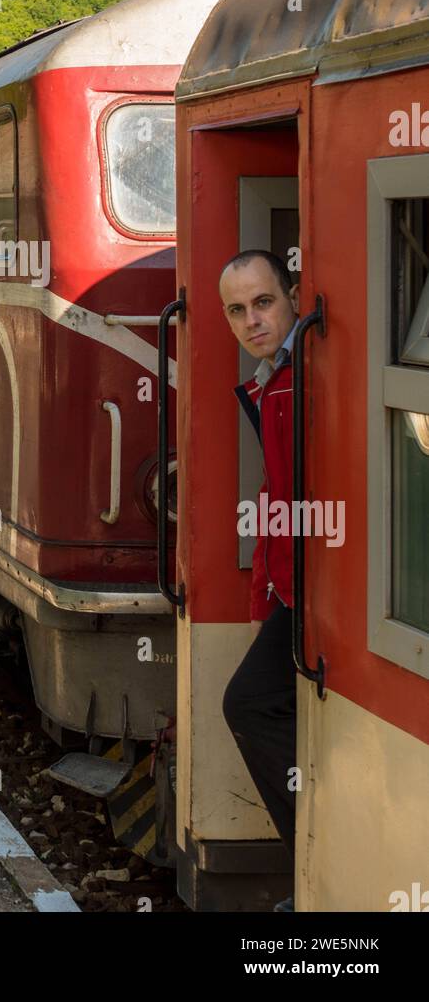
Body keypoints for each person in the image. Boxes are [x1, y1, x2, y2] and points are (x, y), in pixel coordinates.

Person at [218, 249, 299, 913]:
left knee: (247, 702)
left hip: (320, 595)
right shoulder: (271, 379)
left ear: (292, 294)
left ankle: (311, 862)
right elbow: (274, 496)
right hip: (295, 594)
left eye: (264, 302)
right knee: (253, 703)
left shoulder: (300, 377)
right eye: (238, 310)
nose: (253, 319)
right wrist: (261, 600)